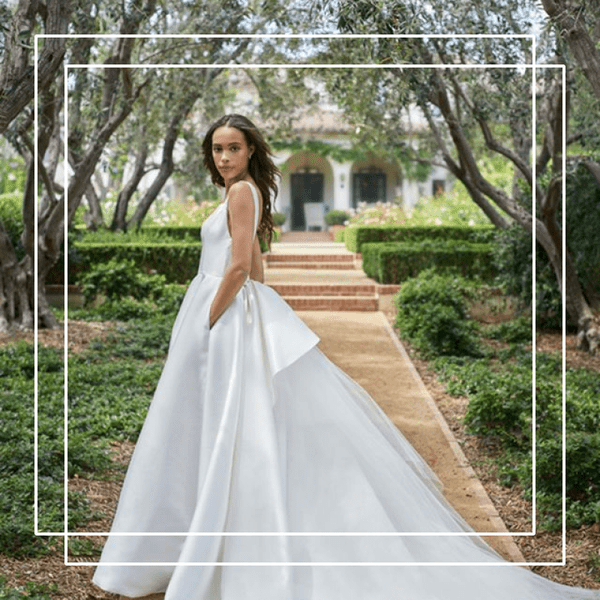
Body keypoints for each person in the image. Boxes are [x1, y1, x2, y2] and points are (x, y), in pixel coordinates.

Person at [93, 114, 600, 600]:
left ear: (250, 152)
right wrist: (258, 313)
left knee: (232, 423)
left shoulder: (242, 192)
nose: (224, 156)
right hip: (230, 312)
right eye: (217, 149)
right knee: (224, 422)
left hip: (220, 312)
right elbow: (259, 267)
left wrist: (210, 320)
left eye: (233, 148)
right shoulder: (236, 192)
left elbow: (241, 265)